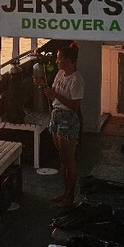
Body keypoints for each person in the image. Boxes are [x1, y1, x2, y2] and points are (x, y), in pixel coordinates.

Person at [36, 42, 83, 206]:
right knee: (62, 158)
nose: (56, 62)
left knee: (69, 160)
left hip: (67, 118)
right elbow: (54, 97)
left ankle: (69, 197)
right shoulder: (60, 74)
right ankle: (65, 193)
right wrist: (44, 87)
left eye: (59, 59)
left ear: (69, 61)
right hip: (56, 115)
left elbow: (74, 106)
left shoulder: (76, 80)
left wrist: (54, 93)